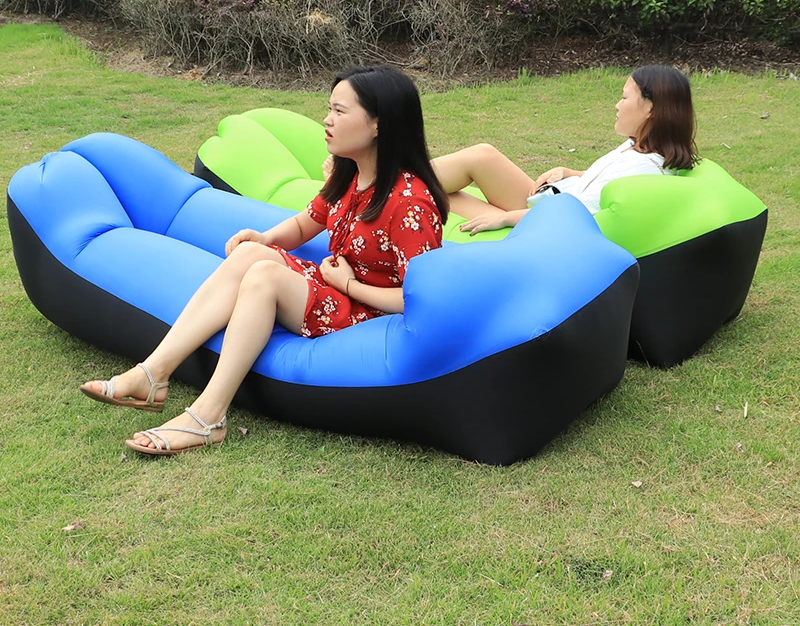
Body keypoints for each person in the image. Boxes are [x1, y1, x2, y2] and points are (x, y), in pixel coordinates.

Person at [80, 66, 448, 455]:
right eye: (329, 109)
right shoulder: (351, 174)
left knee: (264, 278)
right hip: (337, 288)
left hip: (370, 312)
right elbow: (308, 223)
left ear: (378, 124)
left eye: (340, 112)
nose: (327, 120)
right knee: (253, 254)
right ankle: (152, 373)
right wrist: (266, 238)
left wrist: (347, 285)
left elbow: (418, 298)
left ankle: (207, 417)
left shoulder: (409, 203)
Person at [432, 65, 697, 235]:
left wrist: (506, 219)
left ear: (650, 108)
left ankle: (392, 185)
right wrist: (569, 171)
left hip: (543, 227)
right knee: (483, 154)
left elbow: (579, 218)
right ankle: (392, 176)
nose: (617, 105)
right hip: (547, 204)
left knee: (437, 197)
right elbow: (602, 187)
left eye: (625, 97)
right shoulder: (638, 147)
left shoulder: (644, 171)